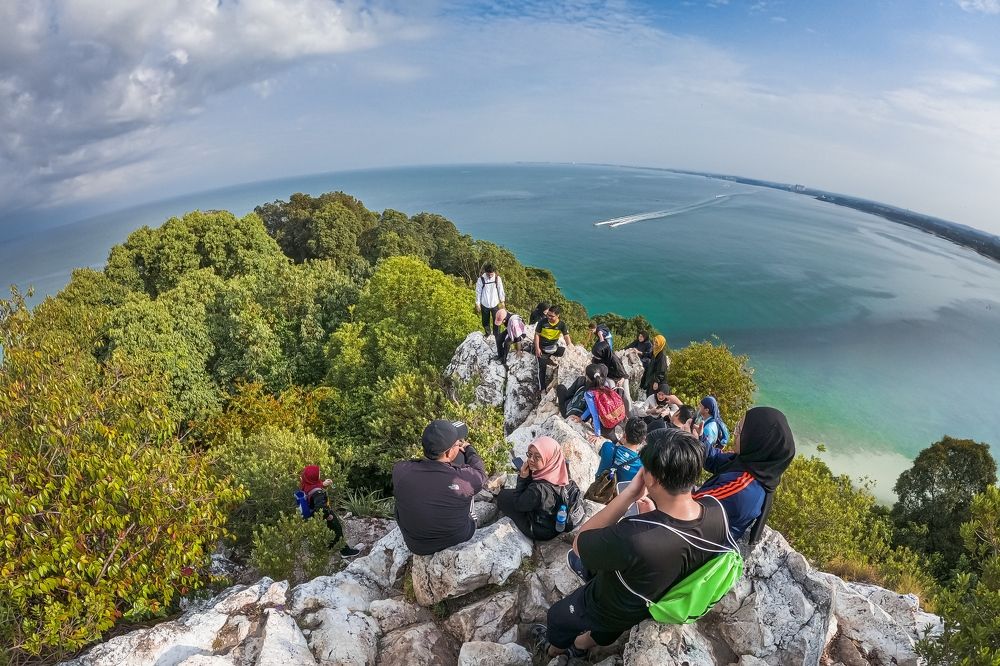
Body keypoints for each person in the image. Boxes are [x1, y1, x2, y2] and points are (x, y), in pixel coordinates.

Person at [532, 428, 729, 659]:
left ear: (652, 478)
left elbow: (580, 545)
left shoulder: (637, 538)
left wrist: (629, 495)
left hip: (610, 600)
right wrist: (654, 516)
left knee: (559, 616)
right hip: (648, 602)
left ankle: (553, 650)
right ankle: (580, 647)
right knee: (607, 631)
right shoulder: (717, 512)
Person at [694, 406, 796, 541]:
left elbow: (690, 506)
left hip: (697, 547)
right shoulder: (750, 463)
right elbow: (715, 459)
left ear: (756, 439)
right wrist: (698, 439)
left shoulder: (743, 488)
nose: (735, 433)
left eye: (740, 430)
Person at [392, 420, 487, 555]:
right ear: (448, 453)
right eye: (457, 444)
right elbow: (480, 474)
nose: (459, 444)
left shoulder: (400, 471)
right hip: (458, 537)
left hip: (417, 546)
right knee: (468, 492)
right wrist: (469, 450)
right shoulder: (464, 479)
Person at [496, 436, 583, 541]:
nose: (531, 460)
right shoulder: (561, 473)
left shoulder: (538, 490)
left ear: (548, 458)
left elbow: (518, 505)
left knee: (503, 496)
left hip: (541, 531)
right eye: (529, 454)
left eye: (537, 457)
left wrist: (523, 478)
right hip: (555, 523)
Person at [299, 465, 361, 558]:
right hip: (324, 515)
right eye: (318, 473)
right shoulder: (318, 493)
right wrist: (328, 516)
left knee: (329, 530)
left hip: (313, 514)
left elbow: (313, 489)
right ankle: (345, 551)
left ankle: (330, 546)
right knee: (337, 530)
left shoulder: (306, 485)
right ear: (313, 476)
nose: (320, 474)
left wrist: (322, 484)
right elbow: (321, 508)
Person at [571, 365, 625, 440]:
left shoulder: (589, 394)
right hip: (618, 415)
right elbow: (591, 408)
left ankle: (615, 442)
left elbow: (595, 414)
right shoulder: (605, 385)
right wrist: (582, 418)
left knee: (611, 437)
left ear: (587, 378)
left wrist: (597, 434)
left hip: (608, 422)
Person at [590, 417, 647, 484]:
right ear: (643, 440)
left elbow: (603, 454)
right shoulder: (640, 466)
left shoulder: (608, 446)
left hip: (597, 490)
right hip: (619, 494)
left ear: (624, 434)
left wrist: (619, 443)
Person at [534, 304, 571, 392]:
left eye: (552, 316)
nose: (549, 317)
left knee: (566, 353)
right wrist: (537, 348)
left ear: (558, 315)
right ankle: (542, 389)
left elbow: (566, 336)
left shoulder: (561, 324)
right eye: (548, 315)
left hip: (553, 348)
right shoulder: (542, 322)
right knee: (542, 368)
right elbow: (536, 335)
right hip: (542, 348)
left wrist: (570, 347)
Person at [591, 340, 632, 413]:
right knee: (612, 394)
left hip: (621, 377)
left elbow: (624, 374)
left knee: (626, 398)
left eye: (597, 355)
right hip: (609, 377)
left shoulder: (614, 360)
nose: (595, 357)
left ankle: (630, 417)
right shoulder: (597, 358)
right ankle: (615, 415)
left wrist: (621, 380)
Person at [475, 263, 506, 337]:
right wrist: (477, 303)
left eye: (491, 274)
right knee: (485, 321)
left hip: (494, 303)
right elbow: (478, 292)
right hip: (484, 303)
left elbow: (500, 290)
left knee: (497, 320)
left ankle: (496, 335)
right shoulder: (481, 279)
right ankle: (487, 333)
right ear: (485, 272)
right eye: (488, 274)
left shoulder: (497, 278)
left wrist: (502, 301)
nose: (490, 276)